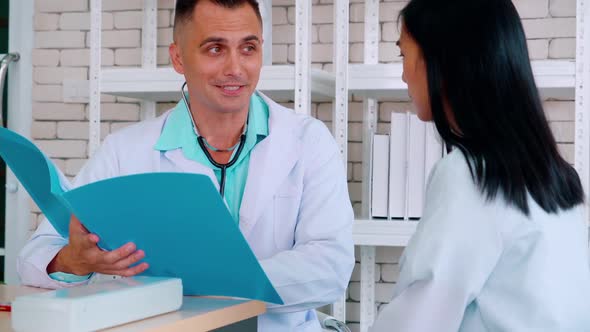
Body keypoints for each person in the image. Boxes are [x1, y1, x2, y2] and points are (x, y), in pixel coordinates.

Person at [17, 0, 355, 330]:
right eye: (215, 49)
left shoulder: (308, 141)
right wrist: (74, 260)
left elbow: (330, 268)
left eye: (248, 48)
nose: (235, 68)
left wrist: (202, 279)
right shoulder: (125, 151)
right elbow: (34, 257)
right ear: (178, 57)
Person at [370, 0, 590, 331]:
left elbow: (419, 320)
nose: (403, 74)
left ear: (442, 61)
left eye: (404, 55)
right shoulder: (554, 173)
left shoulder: (471, 174)